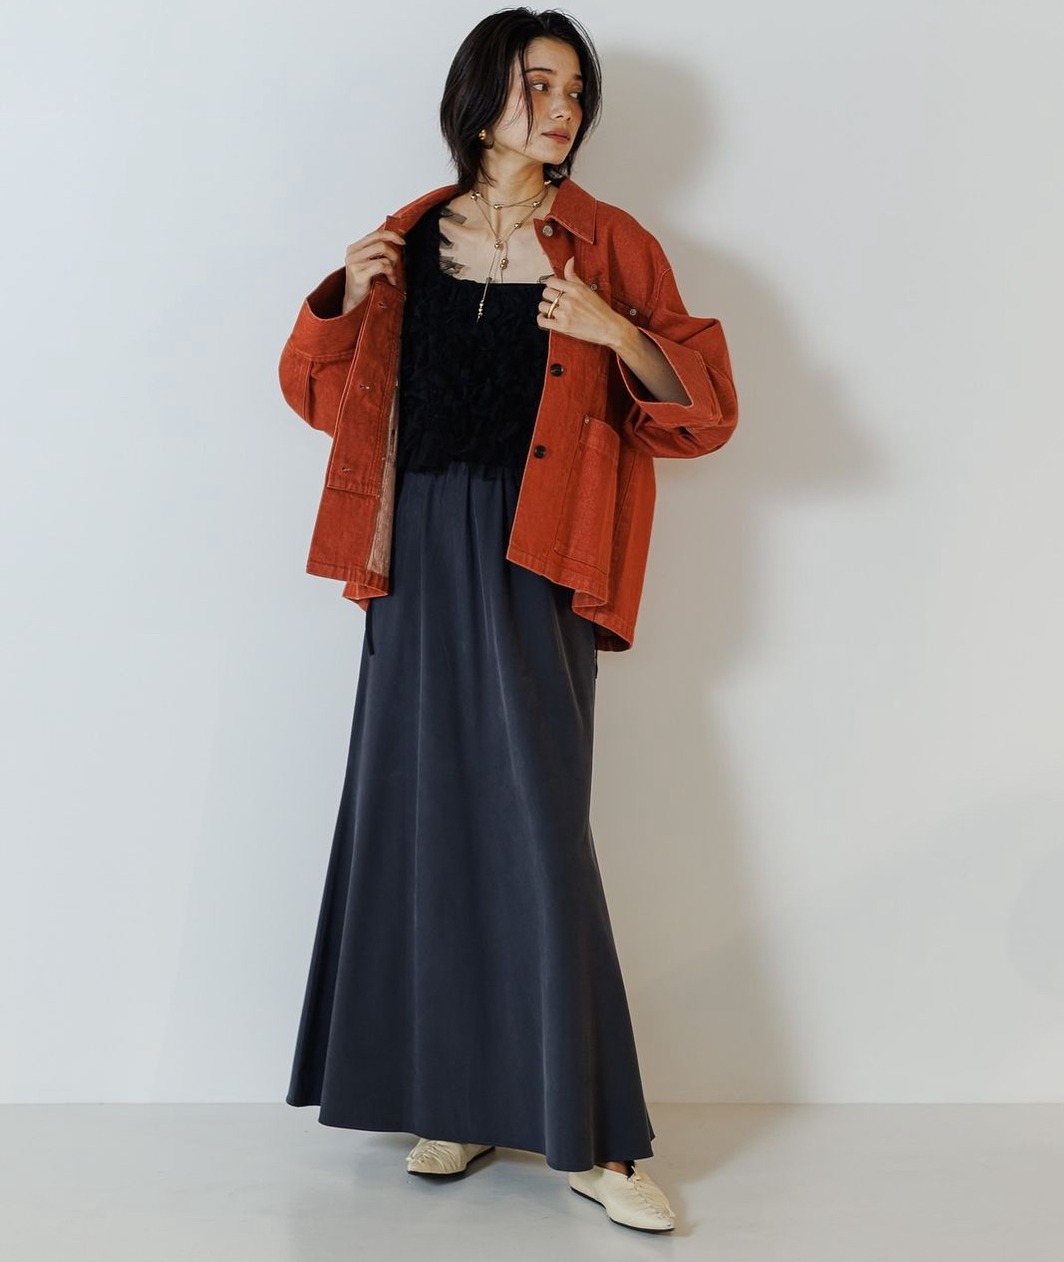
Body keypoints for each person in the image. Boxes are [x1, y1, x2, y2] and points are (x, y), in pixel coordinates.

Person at [276, 7, 737, 1236]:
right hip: (410, 552)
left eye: (575, 91)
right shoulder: (409, 234)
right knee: (422, 815)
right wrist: (341, 297)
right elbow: (319, 397)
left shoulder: (609, 244)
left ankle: (595, 1137)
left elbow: (701, 412)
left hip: (537, 552)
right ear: (480, 96)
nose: (562, 109)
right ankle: (458, 1098)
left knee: (536, 822)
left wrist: (613, 329)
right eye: (540, 85)